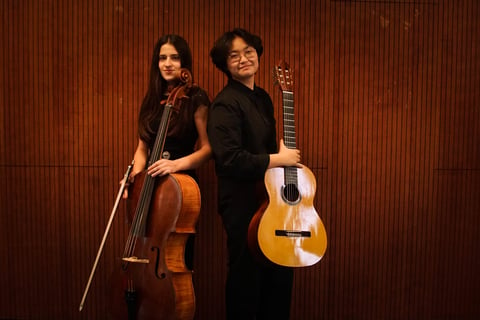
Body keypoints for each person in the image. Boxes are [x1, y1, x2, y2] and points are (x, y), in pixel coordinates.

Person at [207, 28, 301, 320]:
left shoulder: (262, 97)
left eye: (248, 51)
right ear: (225, 64)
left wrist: (282, 159)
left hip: (273, 201)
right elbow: (229, 159)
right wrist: (278, 158)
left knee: (280, 276)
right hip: (242, 205)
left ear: (258, 54)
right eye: (233, 55)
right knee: (247, 281)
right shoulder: (224, 104)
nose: (243, 59)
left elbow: (268, 149)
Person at [124, 34, 211, 269]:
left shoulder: (196, 97)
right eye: (162, 58)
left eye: (174, 57)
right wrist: (133, 176)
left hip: (179, 185)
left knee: (176, 254)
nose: (168, 63)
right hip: (148, 184)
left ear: (184, 62)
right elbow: (142, 149)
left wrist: (176, 165)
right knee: (145, 241)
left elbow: (207, 149)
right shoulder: (151, 99)